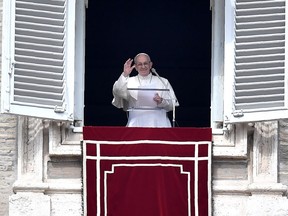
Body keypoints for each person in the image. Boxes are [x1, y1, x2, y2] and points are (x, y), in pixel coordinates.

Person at [112, 52, 179, 127]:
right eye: (140, 64)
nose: (143, 66)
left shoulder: (163, 81)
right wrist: (125, 74)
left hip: (159, 124)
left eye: (145, 63)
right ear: (136, 67)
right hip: (136, 123)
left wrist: (162, 101)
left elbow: (173, 104)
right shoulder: (128, 81)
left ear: (150, 65)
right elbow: (117, 91)